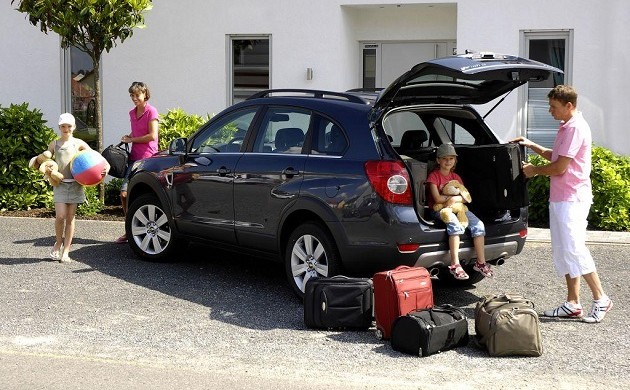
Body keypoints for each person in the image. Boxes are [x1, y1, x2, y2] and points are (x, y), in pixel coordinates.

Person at [514, 85, 613, 323]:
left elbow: (559, 168)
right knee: (564, 250)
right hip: (561, 198)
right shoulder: (566, 127)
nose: (550, 111)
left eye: (553, 106)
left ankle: (601, 299)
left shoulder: (576, 128)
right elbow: (556, 157)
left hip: (573, 199)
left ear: (569, 106)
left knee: (575, 248)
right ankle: (573, 303)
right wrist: (532, 145)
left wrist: (533, 171)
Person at [426, 143, 494, 280]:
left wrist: (455, 198)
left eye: (451, 158)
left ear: (455, 161)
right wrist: (451, 200)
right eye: (444, 158)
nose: (448, 161)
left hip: (460, 208)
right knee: (455, 226)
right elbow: (437, 199)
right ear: (438, 160)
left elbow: (465, 198)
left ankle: (480, 262)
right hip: (440, 209)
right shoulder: (433, 177)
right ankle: (455, 264)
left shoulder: (456, 178)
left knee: (479, 226)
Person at [47, 113, 108, 262]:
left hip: (75, 185)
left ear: (73, 127)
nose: (66, 129)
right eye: (63, 126)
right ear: (59, 127)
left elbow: (96, 158)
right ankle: (58, 243)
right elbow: (45, 160)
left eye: (69, 126)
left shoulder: (78, 143)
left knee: (70, 217)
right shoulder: (54, 144)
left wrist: (106, 167)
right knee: (60, 216)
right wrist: (46, 168)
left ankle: (66, 251)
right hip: (60, 184)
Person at [116, 81, 159, 243]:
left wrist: (132, 138)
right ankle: (130, 228)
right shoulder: (132, 113)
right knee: (124, 194)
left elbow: (152, 135)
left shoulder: (151, 111)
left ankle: (139, 230)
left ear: (145, 94)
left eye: (137, 95)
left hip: (148, 158)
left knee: (142, 193)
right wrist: (128, 138)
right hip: (134, 157)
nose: (134, 98)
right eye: (132, 95)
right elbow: (136, 132)